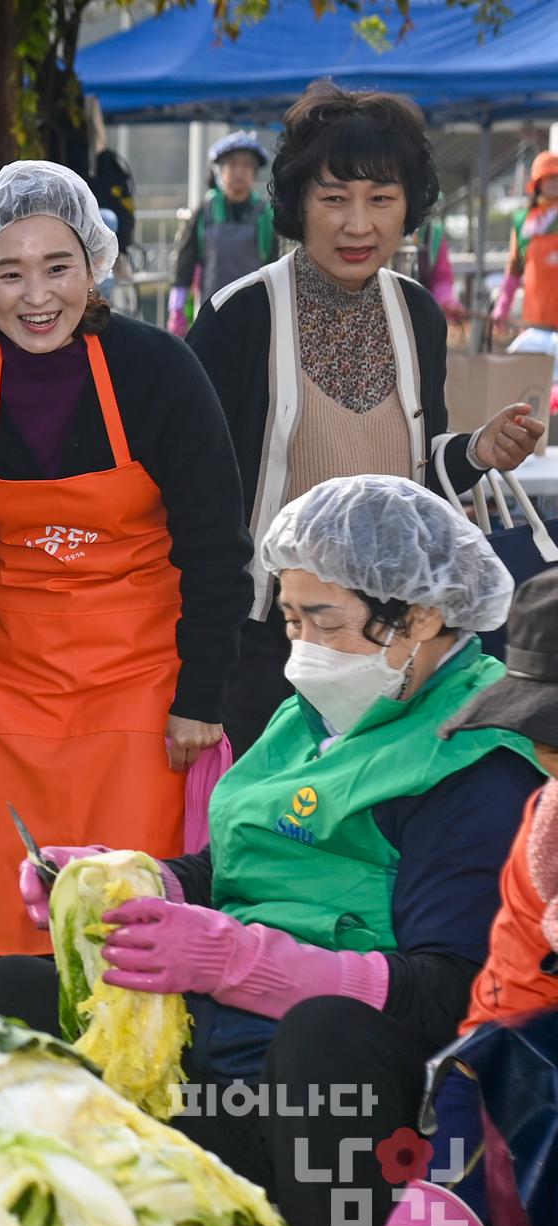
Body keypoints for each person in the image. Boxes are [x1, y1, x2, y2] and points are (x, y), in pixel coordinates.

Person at [0, 475, 543, 1226]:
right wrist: (137, 883)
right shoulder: (315, 714)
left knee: (324, 1035)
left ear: (421, 617)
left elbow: (454, 995)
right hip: (219, 1059)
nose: (302, 644)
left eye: (326, 620)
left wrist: (239, 963)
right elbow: (242, 860)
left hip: (348, 1097)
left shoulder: (474, 766)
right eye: (289, 617)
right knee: (16, 997)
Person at [0, 160, 253, 957]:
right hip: (13, 689)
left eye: (58, 267)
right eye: (9, 272)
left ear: (95, 266)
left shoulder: (157, 370)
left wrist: (202, 691)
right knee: (22, 936)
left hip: (146, 689)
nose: (37, 296)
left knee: (131, 923)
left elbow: (216, 544)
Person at [188, 84, 546, 756]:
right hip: (269, 643)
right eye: (334, 199)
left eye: (381, 199)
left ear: (409, 207)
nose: (358, 225)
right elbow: (198, 501)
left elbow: (415, 474)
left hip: (393, 644)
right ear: (298, 204)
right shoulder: (240, 317)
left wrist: (476, 451)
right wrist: (199, 674)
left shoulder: (417, 314)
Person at [339, 572, 558, 1226]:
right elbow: (495, 1035)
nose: (544, 759)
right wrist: (442, 1218)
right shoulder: (543, 836)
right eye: (539, 733)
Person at [168, 130, 279, 336]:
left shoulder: (264, 215)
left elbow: (273, 266)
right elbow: (184, 264)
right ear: (220, 170)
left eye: (246, 165)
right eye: (233, 164)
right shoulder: (204, 212)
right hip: (210, 310)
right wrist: (177, 309)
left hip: (252, 312)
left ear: (254, 173)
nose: (239, 172)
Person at [491, 149, 558, 345]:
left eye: (557, 177)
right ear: (537, 183)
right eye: (549, 177)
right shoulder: (524, 222)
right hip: (535, 323)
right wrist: (502, 308)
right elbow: (514, 268)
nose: (554, 182)